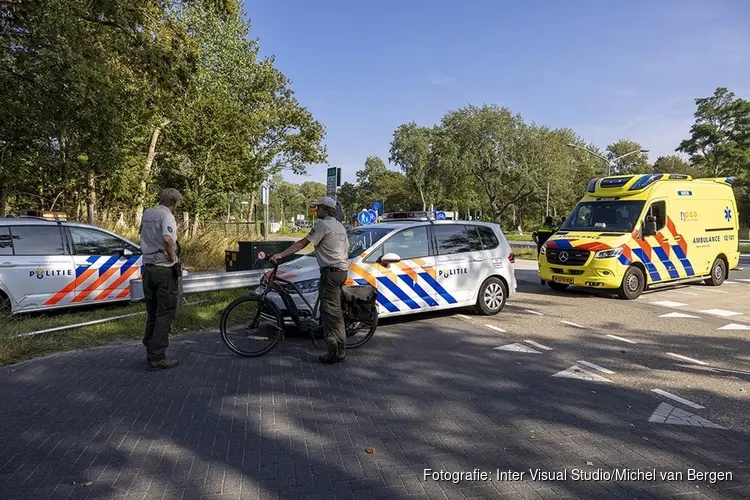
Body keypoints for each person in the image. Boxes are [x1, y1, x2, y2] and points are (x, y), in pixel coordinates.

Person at [270, 196, 350, 364]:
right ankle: (337, 348)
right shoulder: (339, 225)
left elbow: (302, 243)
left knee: (330, 313)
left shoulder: (323, 225)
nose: (316, 210)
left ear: (325, 209)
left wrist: (280, 255)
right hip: (340, 271)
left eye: (318, 207)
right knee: (331, 310)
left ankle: (337, 351)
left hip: (331, 272)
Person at [140, 188, 182, 371]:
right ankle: (157, 357)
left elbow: (142, 234)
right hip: (163, 269)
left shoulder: (147, 213)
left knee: (153, 311)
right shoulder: (167, 216)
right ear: (174, 203)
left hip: (147, 268)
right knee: (165, 312)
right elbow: (167, 239)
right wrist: (173, 257)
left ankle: (149, 342)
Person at [532, 215, 558, 285]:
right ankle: (552, 278)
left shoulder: (540, 228)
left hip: (540, 246)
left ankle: (542, 279)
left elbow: (533, 235)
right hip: (550, 247)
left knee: (541, 261)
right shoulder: (554, 228)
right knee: (551, 262)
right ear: (551, 221)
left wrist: (537, 242)